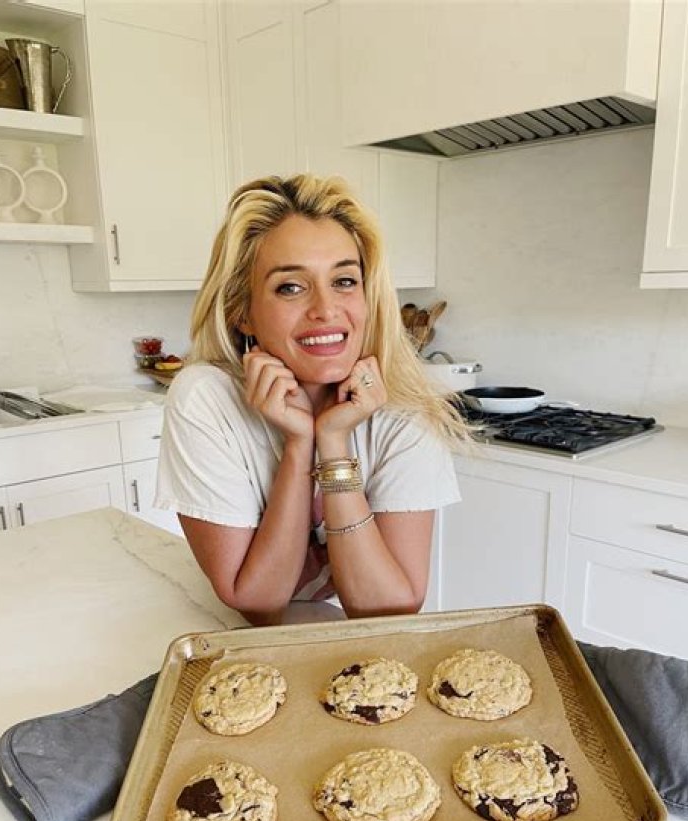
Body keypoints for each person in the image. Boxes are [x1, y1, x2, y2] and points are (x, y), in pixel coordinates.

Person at [154, 173, 471, 625]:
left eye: (344, 281)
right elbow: (257, 602)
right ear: (242, 312)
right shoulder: (206, 399)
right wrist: (299, 444)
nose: (325, 309)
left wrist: (333, 443)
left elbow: (388, 609)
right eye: (290, 286)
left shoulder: (405, 406)